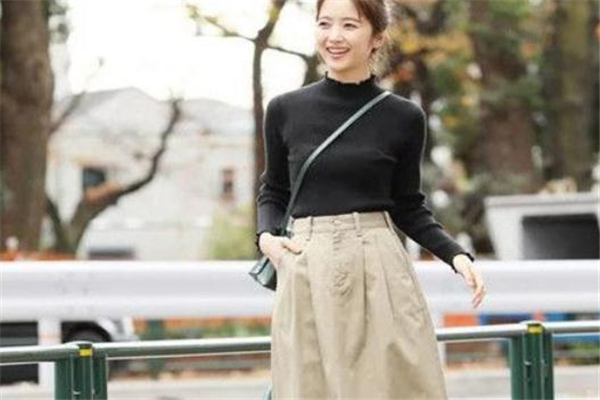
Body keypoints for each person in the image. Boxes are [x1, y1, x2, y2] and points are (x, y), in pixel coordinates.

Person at [255, 0, 486, 398]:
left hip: (378, 264)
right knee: (309, 387)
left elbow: (408, 206)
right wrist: (266, 238)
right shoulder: (284, 110)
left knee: (391, 386)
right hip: (307, 262)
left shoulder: (403, 117)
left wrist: (456, 255)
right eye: (325, 24)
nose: (334, 36)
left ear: (376, 37)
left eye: (349, 25)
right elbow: (273, 190)